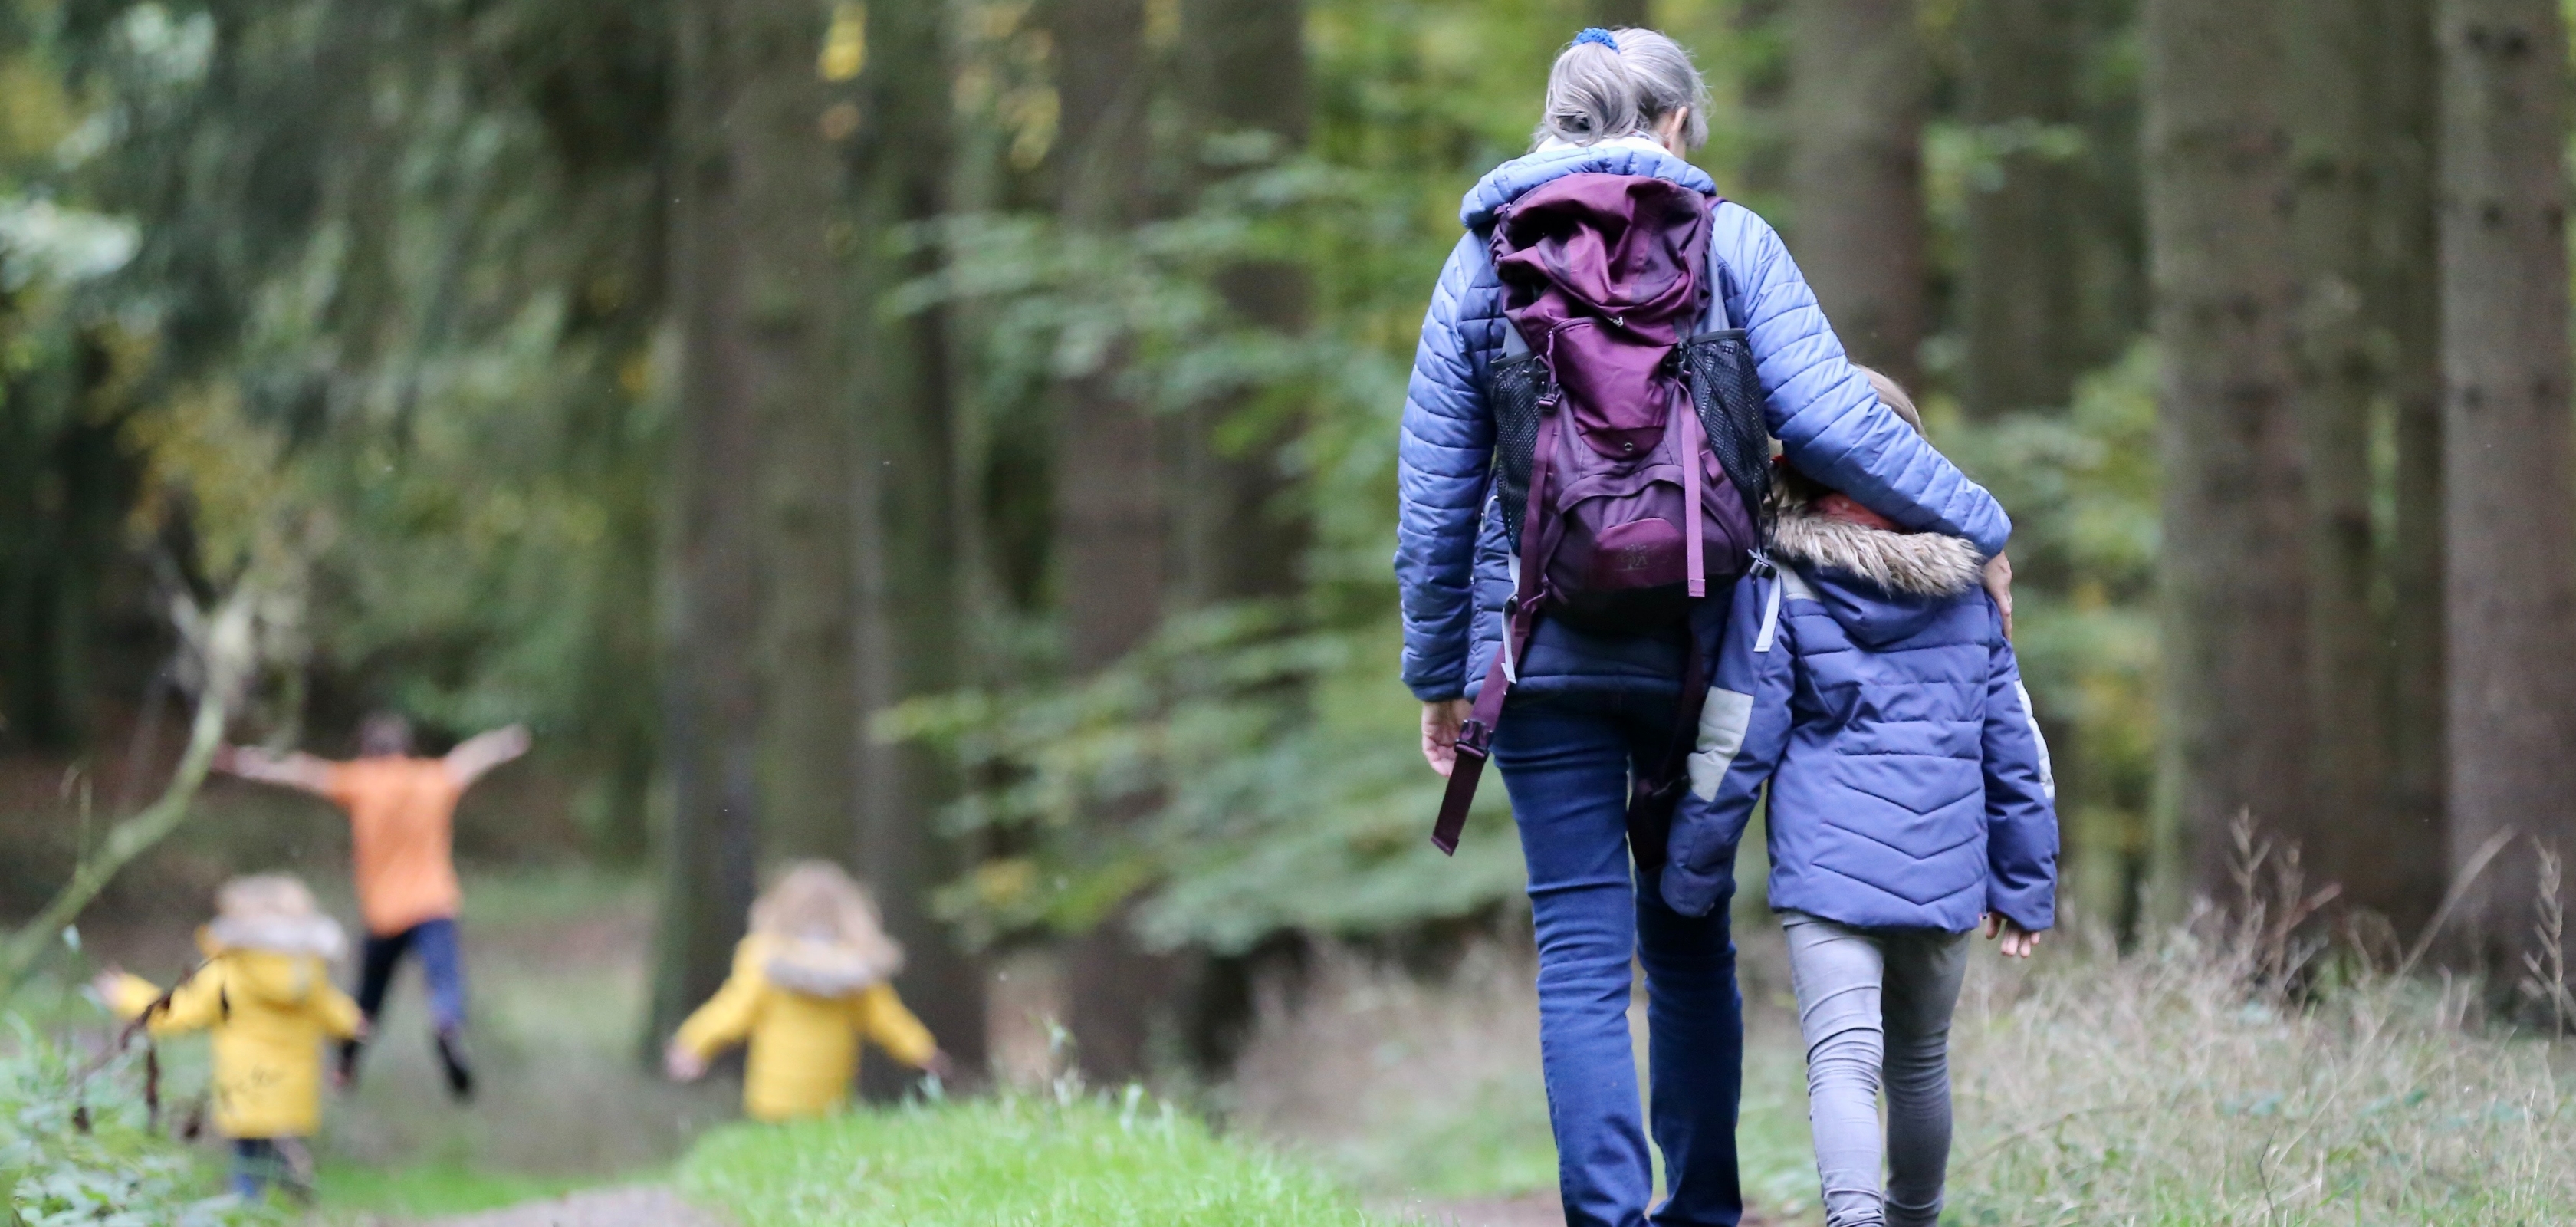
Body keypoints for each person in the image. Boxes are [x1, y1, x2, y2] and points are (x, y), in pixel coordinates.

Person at [1394, 27, 2015, 1227]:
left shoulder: (1482, 262)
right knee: (1686, 934)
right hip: (1706, 654)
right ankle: (1705, 1212)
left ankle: (1608, 1218)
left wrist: (1441, 674)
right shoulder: (1735, 244)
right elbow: (1837, 427)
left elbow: (1435, 500)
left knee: (1580, 946)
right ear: (1678, 123)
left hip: (1535, 648)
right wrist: (1980, 526)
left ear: (1555, 121)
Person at [1660, 372, 2058, 1227]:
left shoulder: (1779, 582)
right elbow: (2015, 747)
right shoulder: (1969, 589)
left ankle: (1853, 1220)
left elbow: (1737, 736)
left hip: (1829, 872)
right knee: (1920, 1062)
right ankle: (1915, 1218)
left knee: (1843, 1059)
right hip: (1947, 873)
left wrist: (1691, 868)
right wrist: (2023, 883)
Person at [214, 712, 529, 1099]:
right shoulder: (432, 778)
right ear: (406, 749)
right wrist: (505, 741)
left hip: (385, 915)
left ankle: (346, 1066)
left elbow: (301, 771)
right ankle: (447, 1026)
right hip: (434, 905)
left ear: (366, 751)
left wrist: (243, 761)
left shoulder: (362, 782)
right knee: (445, 980)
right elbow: (470, 758)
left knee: (369, 997)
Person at [94, 874, 365, 1202]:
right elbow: (335, 1013)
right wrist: (354, 1022)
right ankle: (294, 1189)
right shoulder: (306, 973)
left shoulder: (229, 971)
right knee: (274, 1149)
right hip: (293, 1090)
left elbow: (178, 1011)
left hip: (246, 1088)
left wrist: (126, 993)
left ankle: (250, 1209)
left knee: (248, 1161)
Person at [663, 860, 953, 1121]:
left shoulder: (765, 958)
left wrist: (693, 1043)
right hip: (830, 1098)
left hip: (773, 1097)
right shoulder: (857, 966)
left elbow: (732, 1010)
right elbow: (888, 1019)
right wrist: (923, 1051)